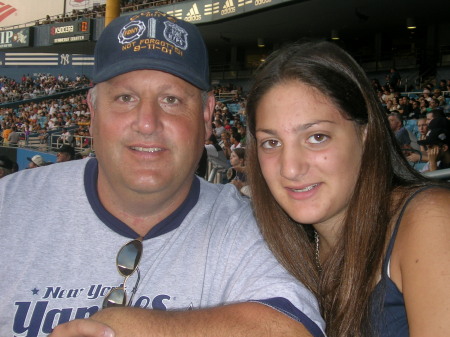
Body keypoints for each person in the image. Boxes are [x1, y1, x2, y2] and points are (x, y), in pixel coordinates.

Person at [0, 11, 325, 337]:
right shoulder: (10, 206)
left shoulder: (250, 226)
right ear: (93, 110)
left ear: (207, 115)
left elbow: (292, 330)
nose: (146, 122)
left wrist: (128, 327)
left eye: (171, 100)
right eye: (125, 98)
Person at [245, 41, 450, 337]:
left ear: (365, 135)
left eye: (317, 137)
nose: (290, 168)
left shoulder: (430, 221)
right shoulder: (278, 248)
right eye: (271, 143)